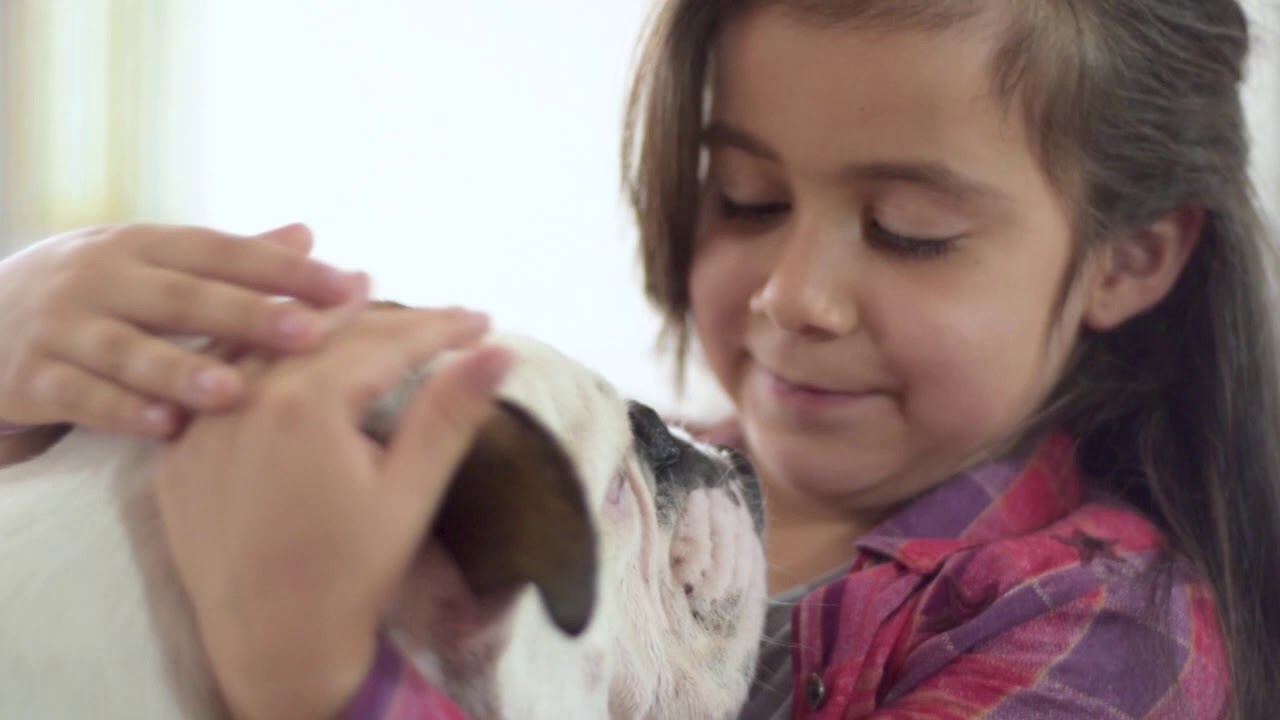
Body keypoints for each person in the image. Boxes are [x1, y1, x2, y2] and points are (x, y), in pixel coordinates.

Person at [2, 0, 1278, 717]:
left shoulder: (1104, 636)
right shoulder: (653, 471)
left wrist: (327, 680)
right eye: (743, 199)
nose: (791, 297)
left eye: (909, 234)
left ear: (1130, 257)